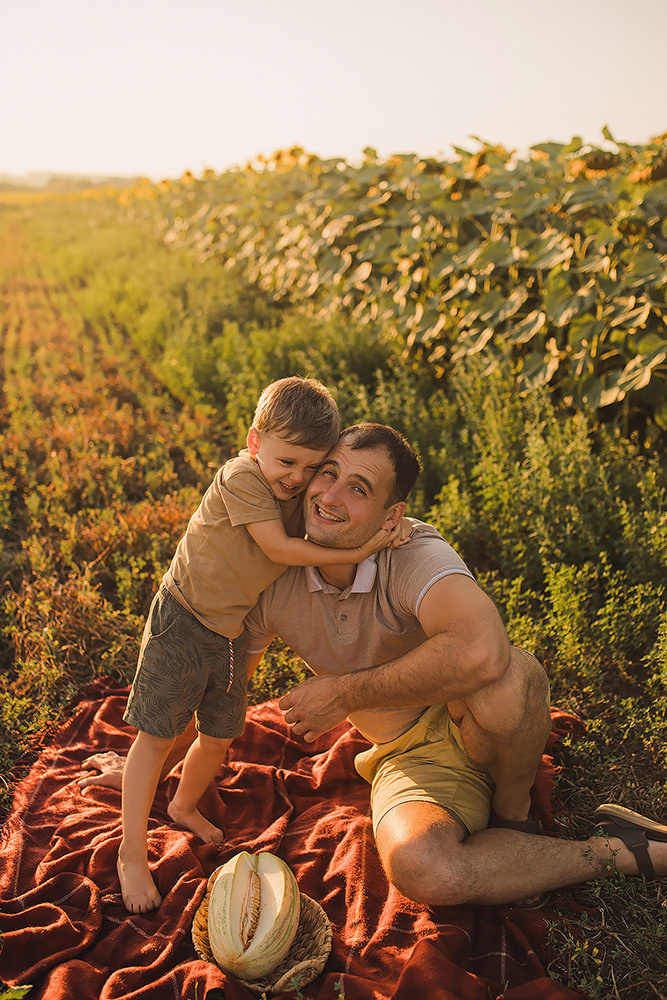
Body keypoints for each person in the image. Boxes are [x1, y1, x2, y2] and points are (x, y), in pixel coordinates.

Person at [82, 422, 667, 909]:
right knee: (423, 870)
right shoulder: (271, 575)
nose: (329, 495)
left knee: (509, 676)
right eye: (327, 472)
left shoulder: (412, 551)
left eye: (358, 488)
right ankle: (617, 851)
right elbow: (228, 684)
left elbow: (483, 650)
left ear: (393, 513)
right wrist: (157, 757)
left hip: (479, 722)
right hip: (408, 757)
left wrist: (342, 694)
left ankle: (515, 817)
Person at [113, 381, 406, 915]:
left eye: (310, 467)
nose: (296, 478)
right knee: (156, 737)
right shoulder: (242, 477)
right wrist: (369, 545)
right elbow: (278, 547)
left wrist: (387, 523)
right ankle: (131, 852)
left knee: (221, 733)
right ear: (254, 441)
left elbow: (325, 532)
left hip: (229, 633)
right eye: (287, 461)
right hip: (183, 617)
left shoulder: (295, 495)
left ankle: (181, 804)